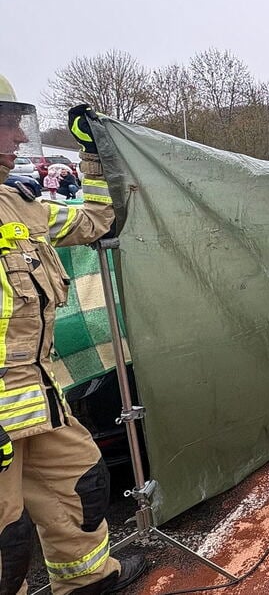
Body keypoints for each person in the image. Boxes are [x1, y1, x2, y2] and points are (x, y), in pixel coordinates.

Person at [0, 73, 146, 594]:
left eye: (19, 125)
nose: (18, 139)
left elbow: (99, 220)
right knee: (6, 545)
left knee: (81, 484)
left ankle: (88, 582)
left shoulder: (19, 207)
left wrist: (93, 153)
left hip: (36, 398)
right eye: (7, 125)